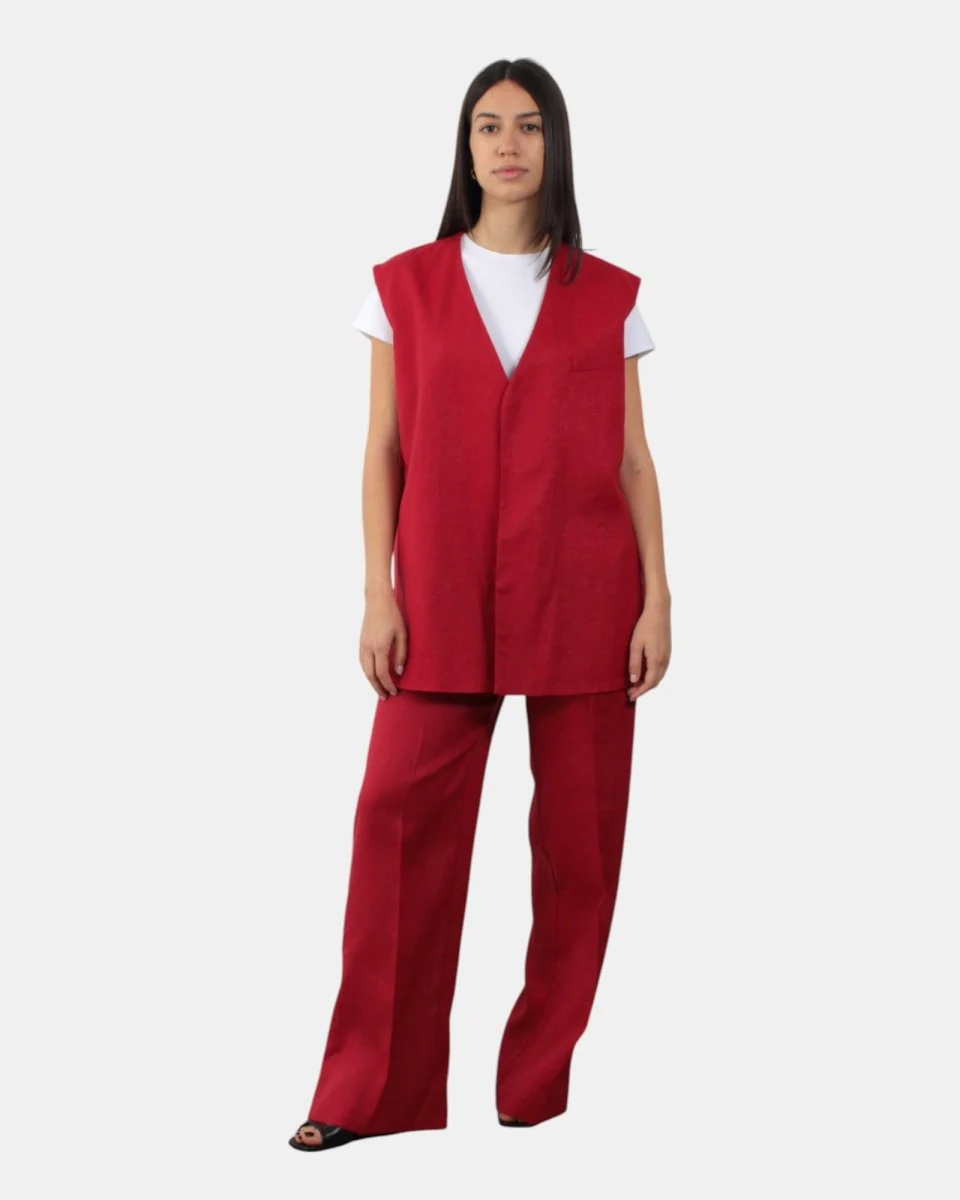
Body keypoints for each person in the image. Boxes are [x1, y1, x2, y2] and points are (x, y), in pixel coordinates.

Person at [289, 56, 672, 1153]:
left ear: (556, 146)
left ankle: (534, 1081)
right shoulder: (403, 286)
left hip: (585, 592)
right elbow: (383, 448)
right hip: (442, 596)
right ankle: (369, 1093)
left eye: (530, 125)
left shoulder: (611, 295)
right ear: (464, 147)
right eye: (489, 125)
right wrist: (377, 590)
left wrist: (657, 598)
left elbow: (633, 461)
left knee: (581, 850)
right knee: (395, 825)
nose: (509, 144)